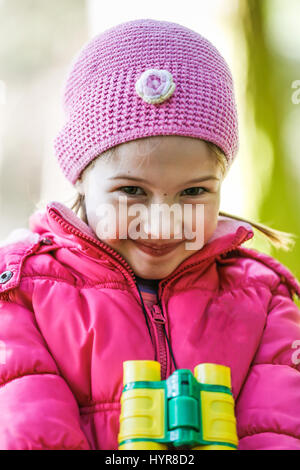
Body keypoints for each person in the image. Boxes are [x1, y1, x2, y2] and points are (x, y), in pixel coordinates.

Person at [0, 18, 299, 451]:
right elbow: (29, 434)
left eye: (194, 191)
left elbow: (279, 433)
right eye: (131, 191)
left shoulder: (261, 299)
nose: (162, 224)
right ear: (81, 178)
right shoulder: (23, 292)